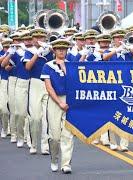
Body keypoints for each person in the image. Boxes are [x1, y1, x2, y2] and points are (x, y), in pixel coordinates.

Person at [41, 39, 74, 173]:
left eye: (64, 48)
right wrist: (60, 102)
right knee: (54, 136)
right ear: (54, 50)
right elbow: (49, 87)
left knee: (68, 135)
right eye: (59, 48)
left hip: (69, 100)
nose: (61, 51)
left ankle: (66, 164)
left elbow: (74, 84)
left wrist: (65, 68)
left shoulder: (71, 65)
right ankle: (54, 159)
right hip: (55, 100)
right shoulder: (48, 66)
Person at [24, 28, 53, 154]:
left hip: (47, 84)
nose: (38, 40)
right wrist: (37, 53)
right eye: (36, 38)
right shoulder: (29, 51)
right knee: (35, 117)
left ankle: (45, 145)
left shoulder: (49, 51)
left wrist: (50, 49)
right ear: (32, 39)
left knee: (46, 118)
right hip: (34, 84)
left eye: (41, 37)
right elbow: (28, 67)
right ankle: (34, 144)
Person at [0, 38, 12, 139]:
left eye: (9, 47)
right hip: (3, 81)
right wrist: (7, 54)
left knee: (14, 108)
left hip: (14, 81)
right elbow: (2, 63)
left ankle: (12, 129)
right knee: (3, 108)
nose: (7, 48)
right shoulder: (2, 53)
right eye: (5, 47)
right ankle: (4, 127)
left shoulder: (15, 52)